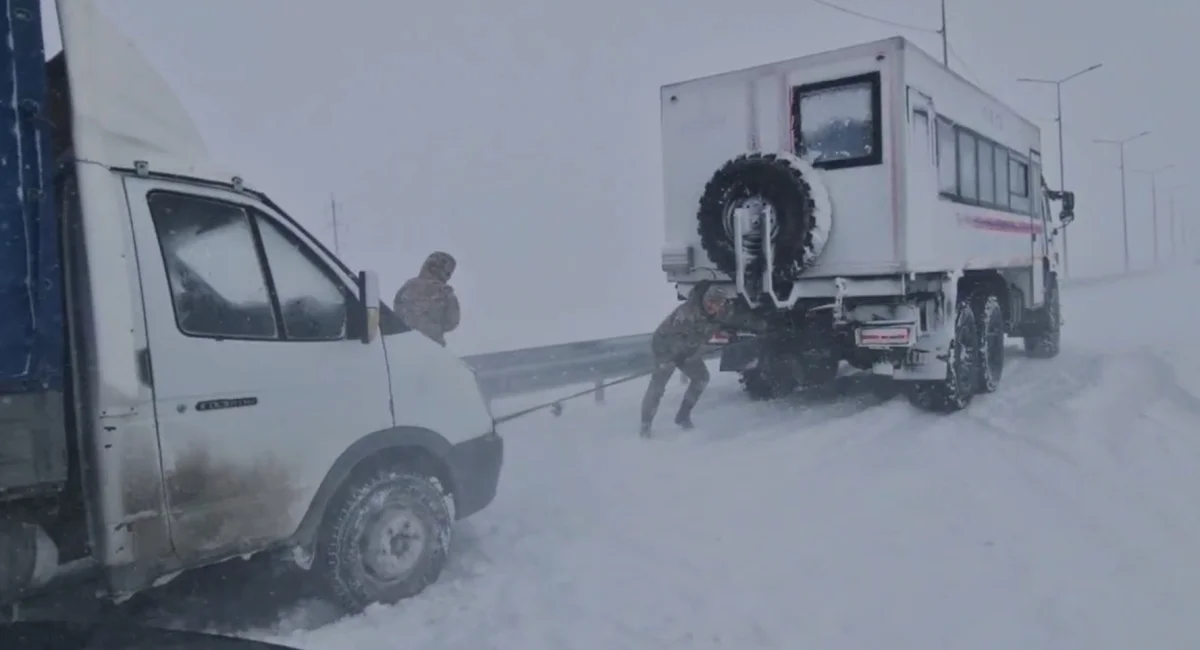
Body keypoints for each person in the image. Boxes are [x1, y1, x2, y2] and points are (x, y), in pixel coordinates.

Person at [639, 283, 765, 437]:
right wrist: (674, 357)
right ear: (705, 299)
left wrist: (758, 327)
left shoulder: (722, 311)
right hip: (665, 347)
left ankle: (683, 416)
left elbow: (737, 320)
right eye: (710, 302)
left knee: (701, 378)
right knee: (658, 387)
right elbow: (674, 338)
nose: (713, 306)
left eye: (718, 303)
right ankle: (646, 425)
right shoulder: (686, 314)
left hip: (687, 349)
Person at [394, 251, 460, 346]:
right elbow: (452, 321)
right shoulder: (444, 291)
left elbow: (397, 311)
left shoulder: (408, 286)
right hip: (432, 345)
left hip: (404, 342)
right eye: (448, 271)